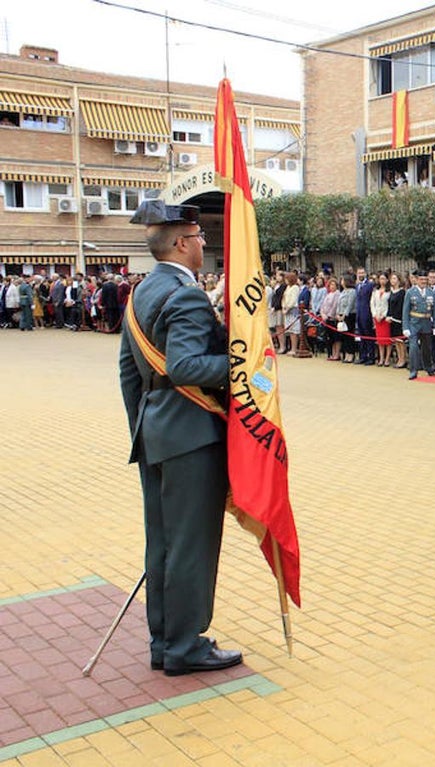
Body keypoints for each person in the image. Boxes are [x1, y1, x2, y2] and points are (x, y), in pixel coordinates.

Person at [118, 200, 241, 676]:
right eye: (200, 237)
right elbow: (186, 367)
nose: (205, 244)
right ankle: (186, 646)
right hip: (190, 434)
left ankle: (163, 640)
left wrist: (145, 427)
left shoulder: (141, 292)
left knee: (163, 544)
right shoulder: (186, 296)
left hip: (156, 434)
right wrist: (242, 367)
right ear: (183, 243)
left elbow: (129, 373)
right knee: (191, 544)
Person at [402, 269, 435, 379]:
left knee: (427, 348)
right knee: (413, 347)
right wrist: (405, 327)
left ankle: (428, 367)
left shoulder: (431, 292)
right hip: (414, 323)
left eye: (425, 279)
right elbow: (405, 311)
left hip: (426, 323)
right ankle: (413, 370)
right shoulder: (410, 292)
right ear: (416, 280)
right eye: (421, 279)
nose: (423, 281)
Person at [385, 272, 407, 369]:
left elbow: (400, 307)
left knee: (400, 340)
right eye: (391, 279)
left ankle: (403, 359)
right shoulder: (391, 292)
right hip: (391, 320)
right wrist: (388, 316)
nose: (392, 281)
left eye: (394, 278)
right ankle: (399, 358)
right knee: (396, 341)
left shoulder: (402, 292)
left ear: (398, 280)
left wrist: (394, 317)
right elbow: (389, 305)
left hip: (398, 320)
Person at [355, 267, 376, 365]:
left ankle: (371, 357)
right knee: (361, 336)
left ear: (365, 273)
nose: (361, 274)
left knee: (368, 336)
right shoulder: (357, 285)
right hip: (359, 313)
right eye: (359, 273)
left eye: (362, 273)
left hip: (367, 313)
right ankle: (363, 356)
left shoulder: (370, 285)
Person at [371, 274, 391, 366]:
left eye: (384, 278)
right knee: (380, 340)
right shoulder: (375, 291)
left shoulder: (389, 291)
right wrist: (375, 315)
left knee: (387, 340)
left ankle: (387, 359)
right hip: (377, 318)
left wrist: (383, 315)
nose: (382, 280)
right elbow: (372, 304)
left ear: (387, 280)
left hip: (385, 318)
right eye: (380, 278)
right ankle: (381, 358)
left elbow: (389, 305)